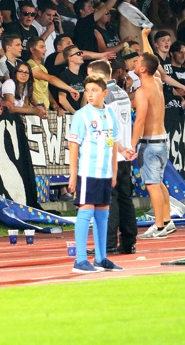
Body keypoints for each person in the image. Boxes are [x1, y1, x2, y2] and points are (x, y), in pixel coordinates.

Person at [67, 75, 124, 273]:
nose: (90, 94)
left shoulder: (110, 114)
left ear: (104, 93)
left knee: (103, 214)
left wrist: (114, 172)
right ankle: (80, 260)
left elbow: (114, 143)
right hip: (88, 172)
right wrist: (73, 175)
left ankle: (101, 258)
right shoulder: (81, 115)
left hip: (105, 173)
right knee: (86, 211)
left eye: (95, 90)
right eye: (88, 90)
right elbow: (73, 145)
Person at [86, 59, 137, 256]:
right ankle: (128, 241)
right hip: (123, 156)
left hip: (110, 154)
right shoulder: (122, 93)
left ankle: (107, 244)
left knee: (108, 200)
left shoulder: (104, 97)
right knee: (125, 199)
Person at [133, 52, 174, 239]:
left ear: (142, 69)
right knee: (158, 182)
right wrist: (144, 36)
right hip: (163, 140)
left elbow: (140, 120)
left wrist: (132, 145)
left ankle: (158, 227)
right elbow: (152, 60)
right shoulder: (157, 81)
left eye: (137, 61)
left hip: (149, 143)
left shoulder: (142, 91)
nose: (135, 61)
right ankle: (166, 221)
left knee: (152, 185)